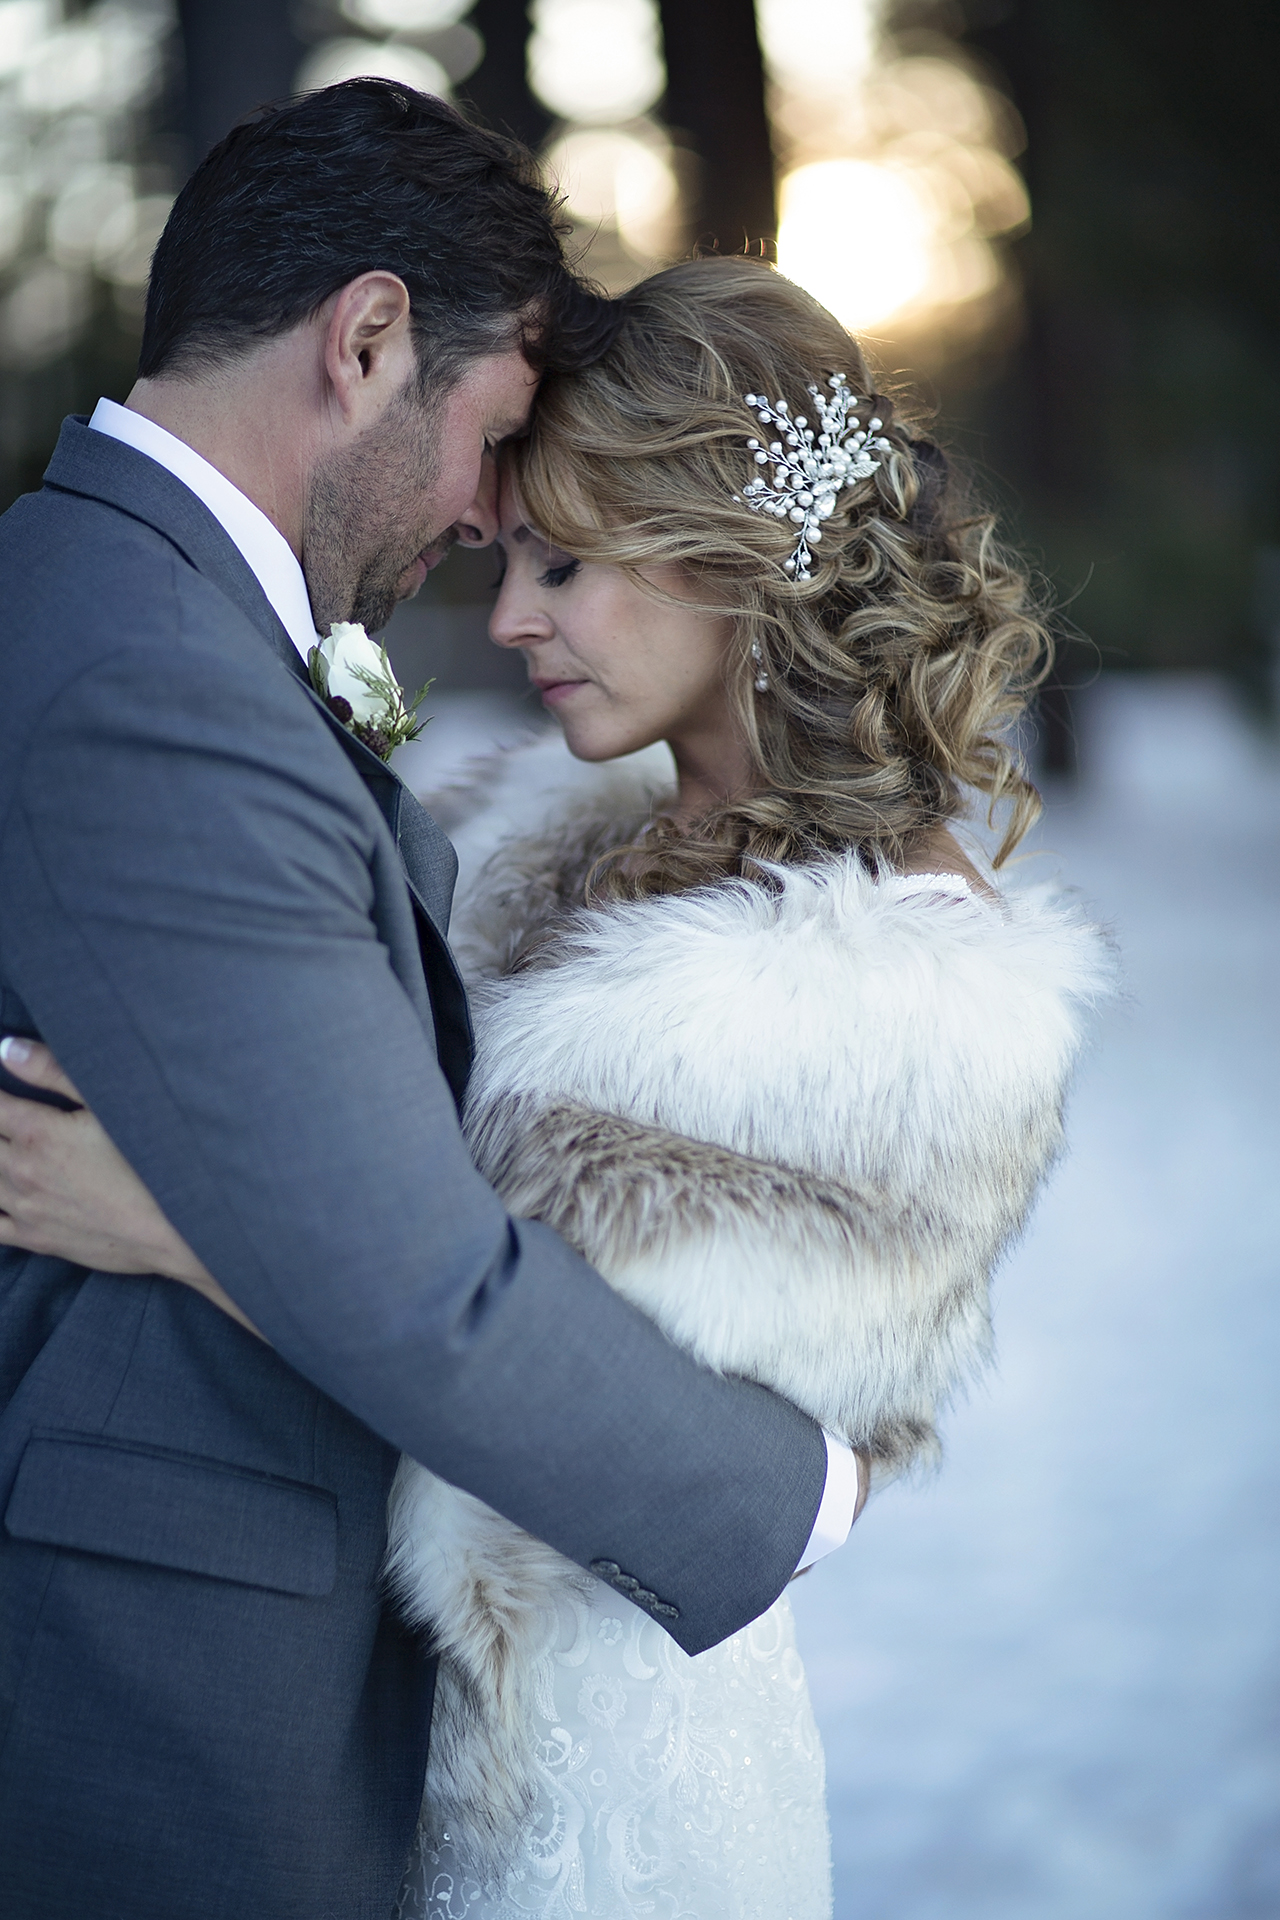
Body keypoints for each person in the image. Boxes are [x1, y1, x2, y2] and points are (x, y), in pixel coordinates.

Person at [0, 257, 1113, 1917]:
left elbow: (585, 1407)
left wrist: (188, 1232)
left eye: (567, 565)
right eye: (510, 554)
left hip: (602, 1758)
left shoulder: (918, 990)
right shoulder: (538, 837)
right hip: (361, 1713)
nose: (512, 616)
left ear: (742, 561)